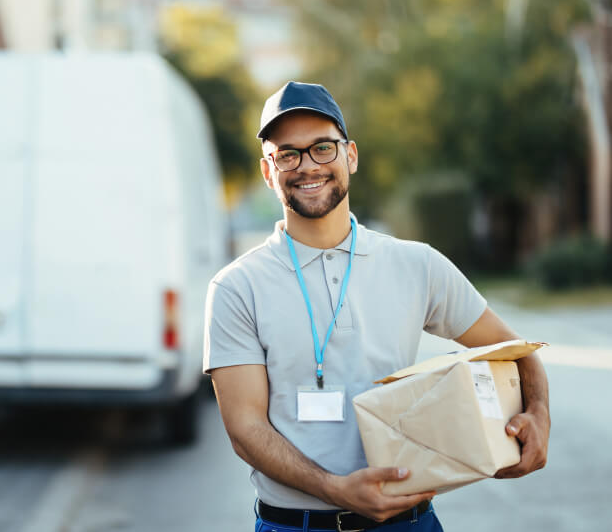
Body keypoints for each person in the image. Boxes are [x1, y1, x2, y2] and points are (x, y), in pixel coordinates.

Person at [202, 81, 550, 532]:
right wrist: (334, 488)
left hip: (409, 523)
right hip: (295, 525)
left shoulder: (416, 264)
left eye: (322, 148)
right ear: (268, 172)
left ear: (350, 156)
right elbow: (245, 429)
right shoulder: (236, 287)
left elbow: (515, 350)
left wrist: (538, 414)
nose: (307, 166)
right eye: (287, 154)